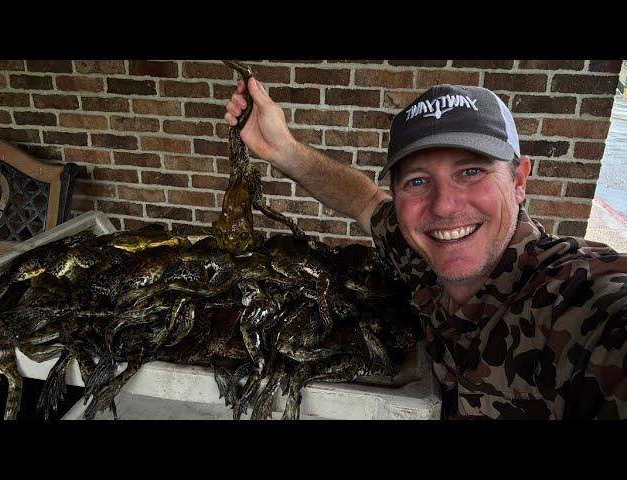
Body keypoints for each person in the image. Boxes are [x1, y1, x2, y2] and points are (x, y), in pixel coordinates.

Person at [224, 75, 627, 419]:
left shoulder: (577, 305)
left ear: (519, 181)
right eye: (417, 181)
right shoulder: (419, 257)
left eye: (471, 171)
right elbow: (364, 201)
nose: (444, 205)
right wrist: (284, 150)